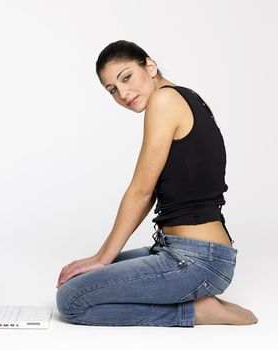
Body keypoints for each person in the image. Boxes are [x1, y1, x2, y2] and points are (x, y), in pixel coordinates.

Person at [55, 40, 258, 327]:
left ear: (149, 66)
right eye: (112, 89)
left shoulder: (164, 101)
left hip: (196, 260)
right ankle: (194, 297)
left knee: (72, 301)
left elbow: (141, 192)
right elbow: (149, 195)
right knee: (82, 282)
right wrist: (100, 259)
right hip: (189, 253)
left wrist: (102, 257)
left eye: (126, 77)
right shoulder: (188, 98)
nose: (123, 93)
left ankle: (196, 311)